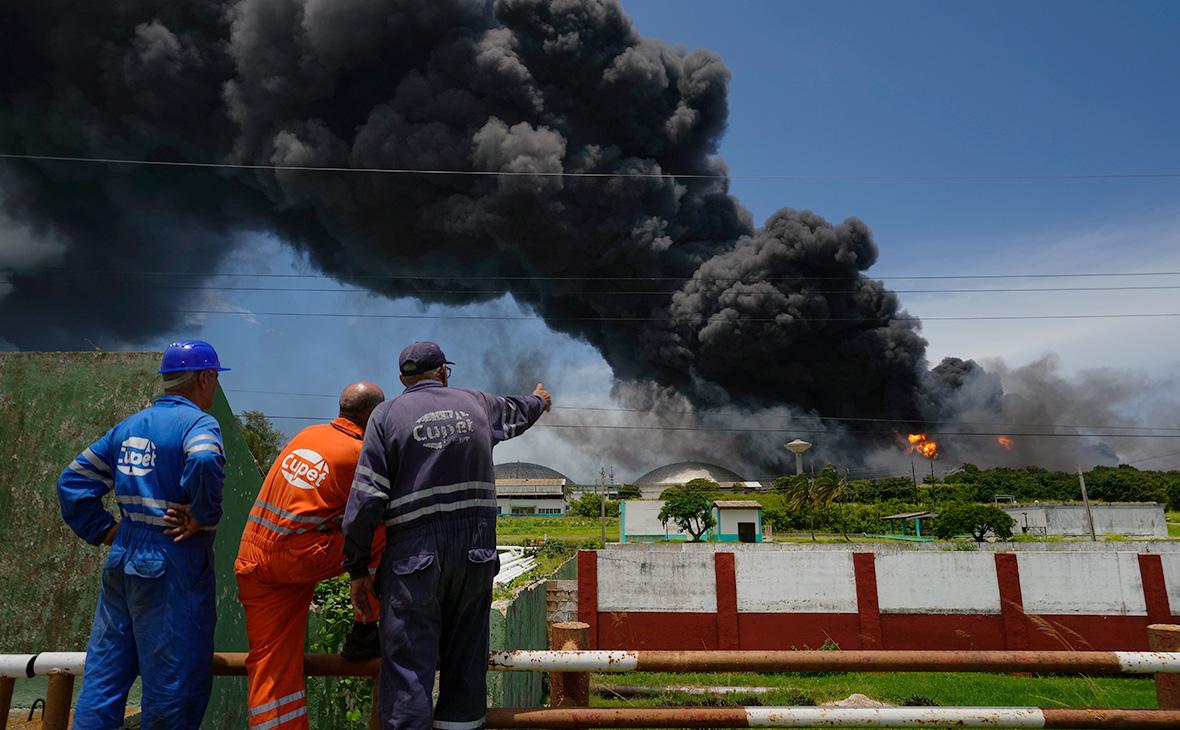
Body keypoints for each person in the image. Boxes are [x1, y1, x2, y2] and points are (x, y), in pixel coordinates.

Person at [342, 341, 551, 730]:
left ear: (403, 379)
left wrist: (357, 567)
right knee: (466, 662)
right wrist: (539, 399)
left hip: (413, 557)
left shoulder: (385, 416)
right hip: (475, 554)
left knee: (407, 667)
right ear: (443, 372)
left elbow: (366, 500)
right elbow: (520, 409)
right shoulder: (478, 404)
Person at [57, 340, 229, 730]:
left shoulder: (130, 425)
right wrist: (202, 514)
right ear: (204, 377)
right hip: (173, 559)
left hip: (123, 556)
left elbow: (72, 481)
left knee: (104, 677)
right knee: (174, 684)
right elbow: (204, 457)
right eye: (215, 377)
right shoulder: (199, 424)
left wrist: (106, 530)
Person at [234, 381, 388, 730]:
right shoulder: (358, 453)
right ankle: (367, 628)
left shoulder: (308, 434)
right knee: (383, 531)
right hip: (297, 556)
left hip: (254, 557)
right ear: (374, 415)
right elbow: (369, 516)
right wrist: (358, 573)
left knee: (270, 662)